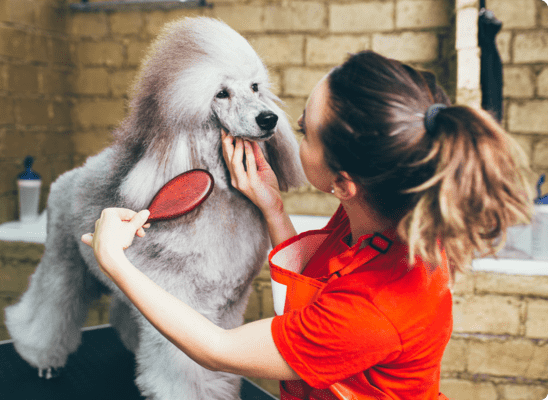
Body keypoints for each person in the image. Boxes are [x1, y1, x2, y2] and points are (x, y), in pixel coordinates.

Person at [81, 50, 533, 399]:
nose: (288, 129)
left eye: (304, 132)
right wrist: (273, 207)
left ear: (342, 182)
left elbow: (216, 349)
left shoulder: (374, 310)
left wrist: (116, 261)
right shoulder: (384, 210)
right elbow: (315, 288)